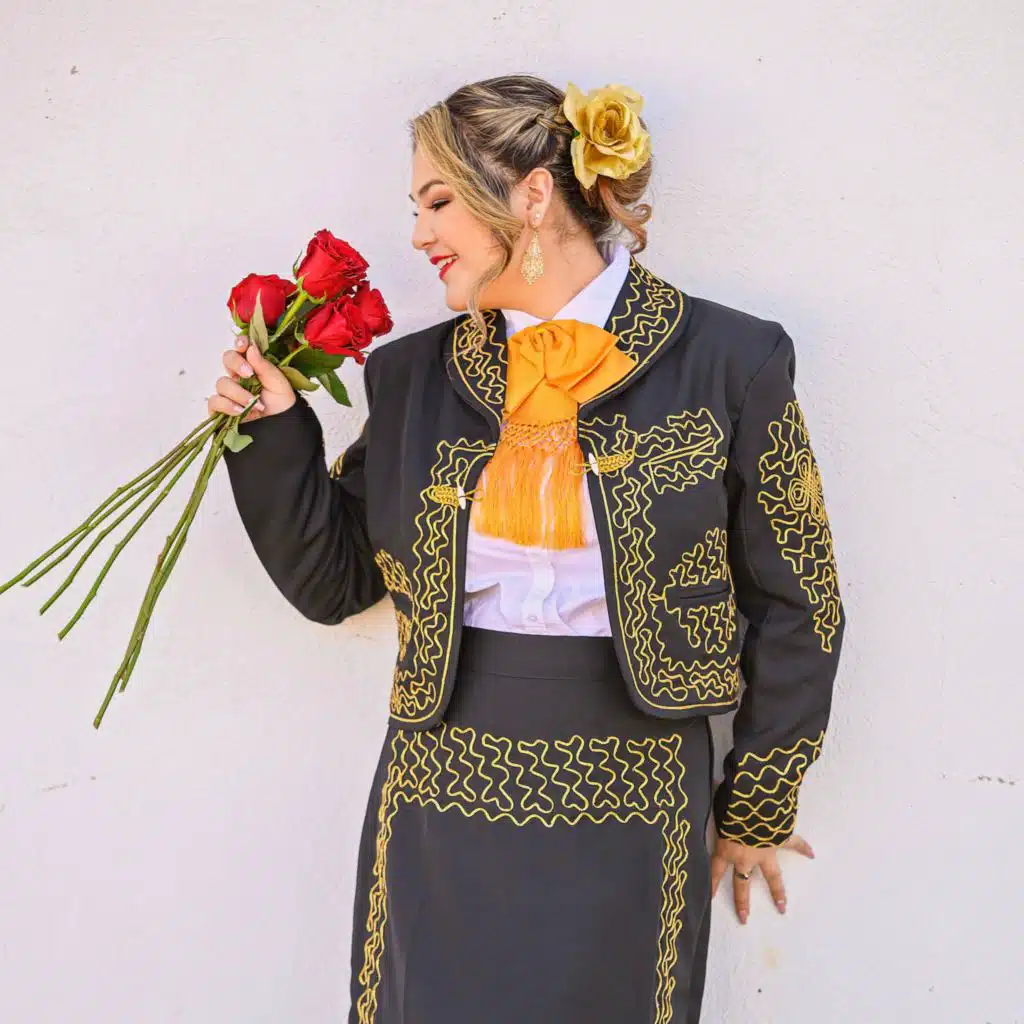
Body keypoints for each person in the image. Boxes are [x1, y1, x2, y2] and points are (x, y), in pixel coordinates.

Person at [208, 74, 846, 1024]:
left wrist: (759, 800)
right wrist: (273, 435)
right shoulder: (412, 374)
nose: (419, 235)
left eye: (436, 202)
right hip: (441, 781)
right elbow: (332, 584)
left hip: (635, 787)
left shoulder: (732, 360)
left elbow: (800, 600)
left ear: (533, 194)